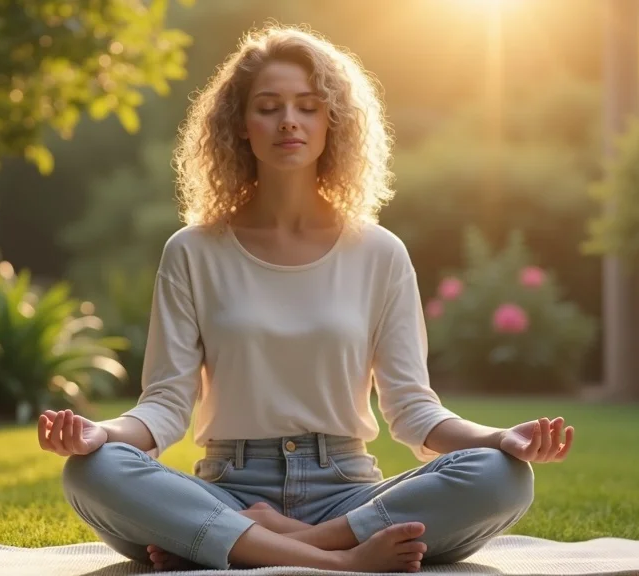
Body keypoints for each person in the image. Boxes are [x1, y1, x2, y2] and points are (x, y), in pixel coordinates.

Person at [38, 24, 574, 573]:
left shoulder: (380, 253)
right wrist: (99, 434)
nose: (289, 120)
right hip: (229, 492)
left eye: (308, 106)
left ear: (332, 122)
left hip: (350, 498)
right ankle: (340, 561)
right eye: (268, 107)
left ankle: (246, 546)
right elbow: (165, 406)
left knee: (502, 475)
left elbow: (413, 410)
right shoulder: (192, 251)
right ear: (240, 126)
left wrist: (499, 438)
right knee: (91, 471)